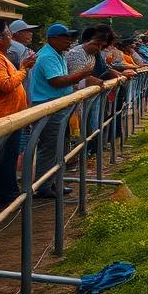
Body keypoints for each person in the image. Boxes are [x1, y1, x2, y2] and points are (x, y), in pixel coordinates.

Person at [29, 24, 97, 199]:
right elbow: (57, 81)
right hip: (48, 106)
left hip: (58, 105)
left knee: (58, 146)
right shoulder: (47, 56)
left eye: (70, 37)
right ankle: (43, 185)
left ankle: (50, 182)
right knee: (50, 147)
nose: (69, 41)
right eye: (65, 37)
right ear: (52, 39)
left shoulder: (58, 54)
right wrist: (82, 74)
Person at [0, 18, 34, 205]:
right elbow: (6, 85)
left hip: (11, 114)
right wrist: (24, 69)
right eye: (8, 34)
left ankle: (7, 193)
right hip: (1, 115)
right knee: (1, 159)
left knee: (8, 158)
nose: (11, 37)